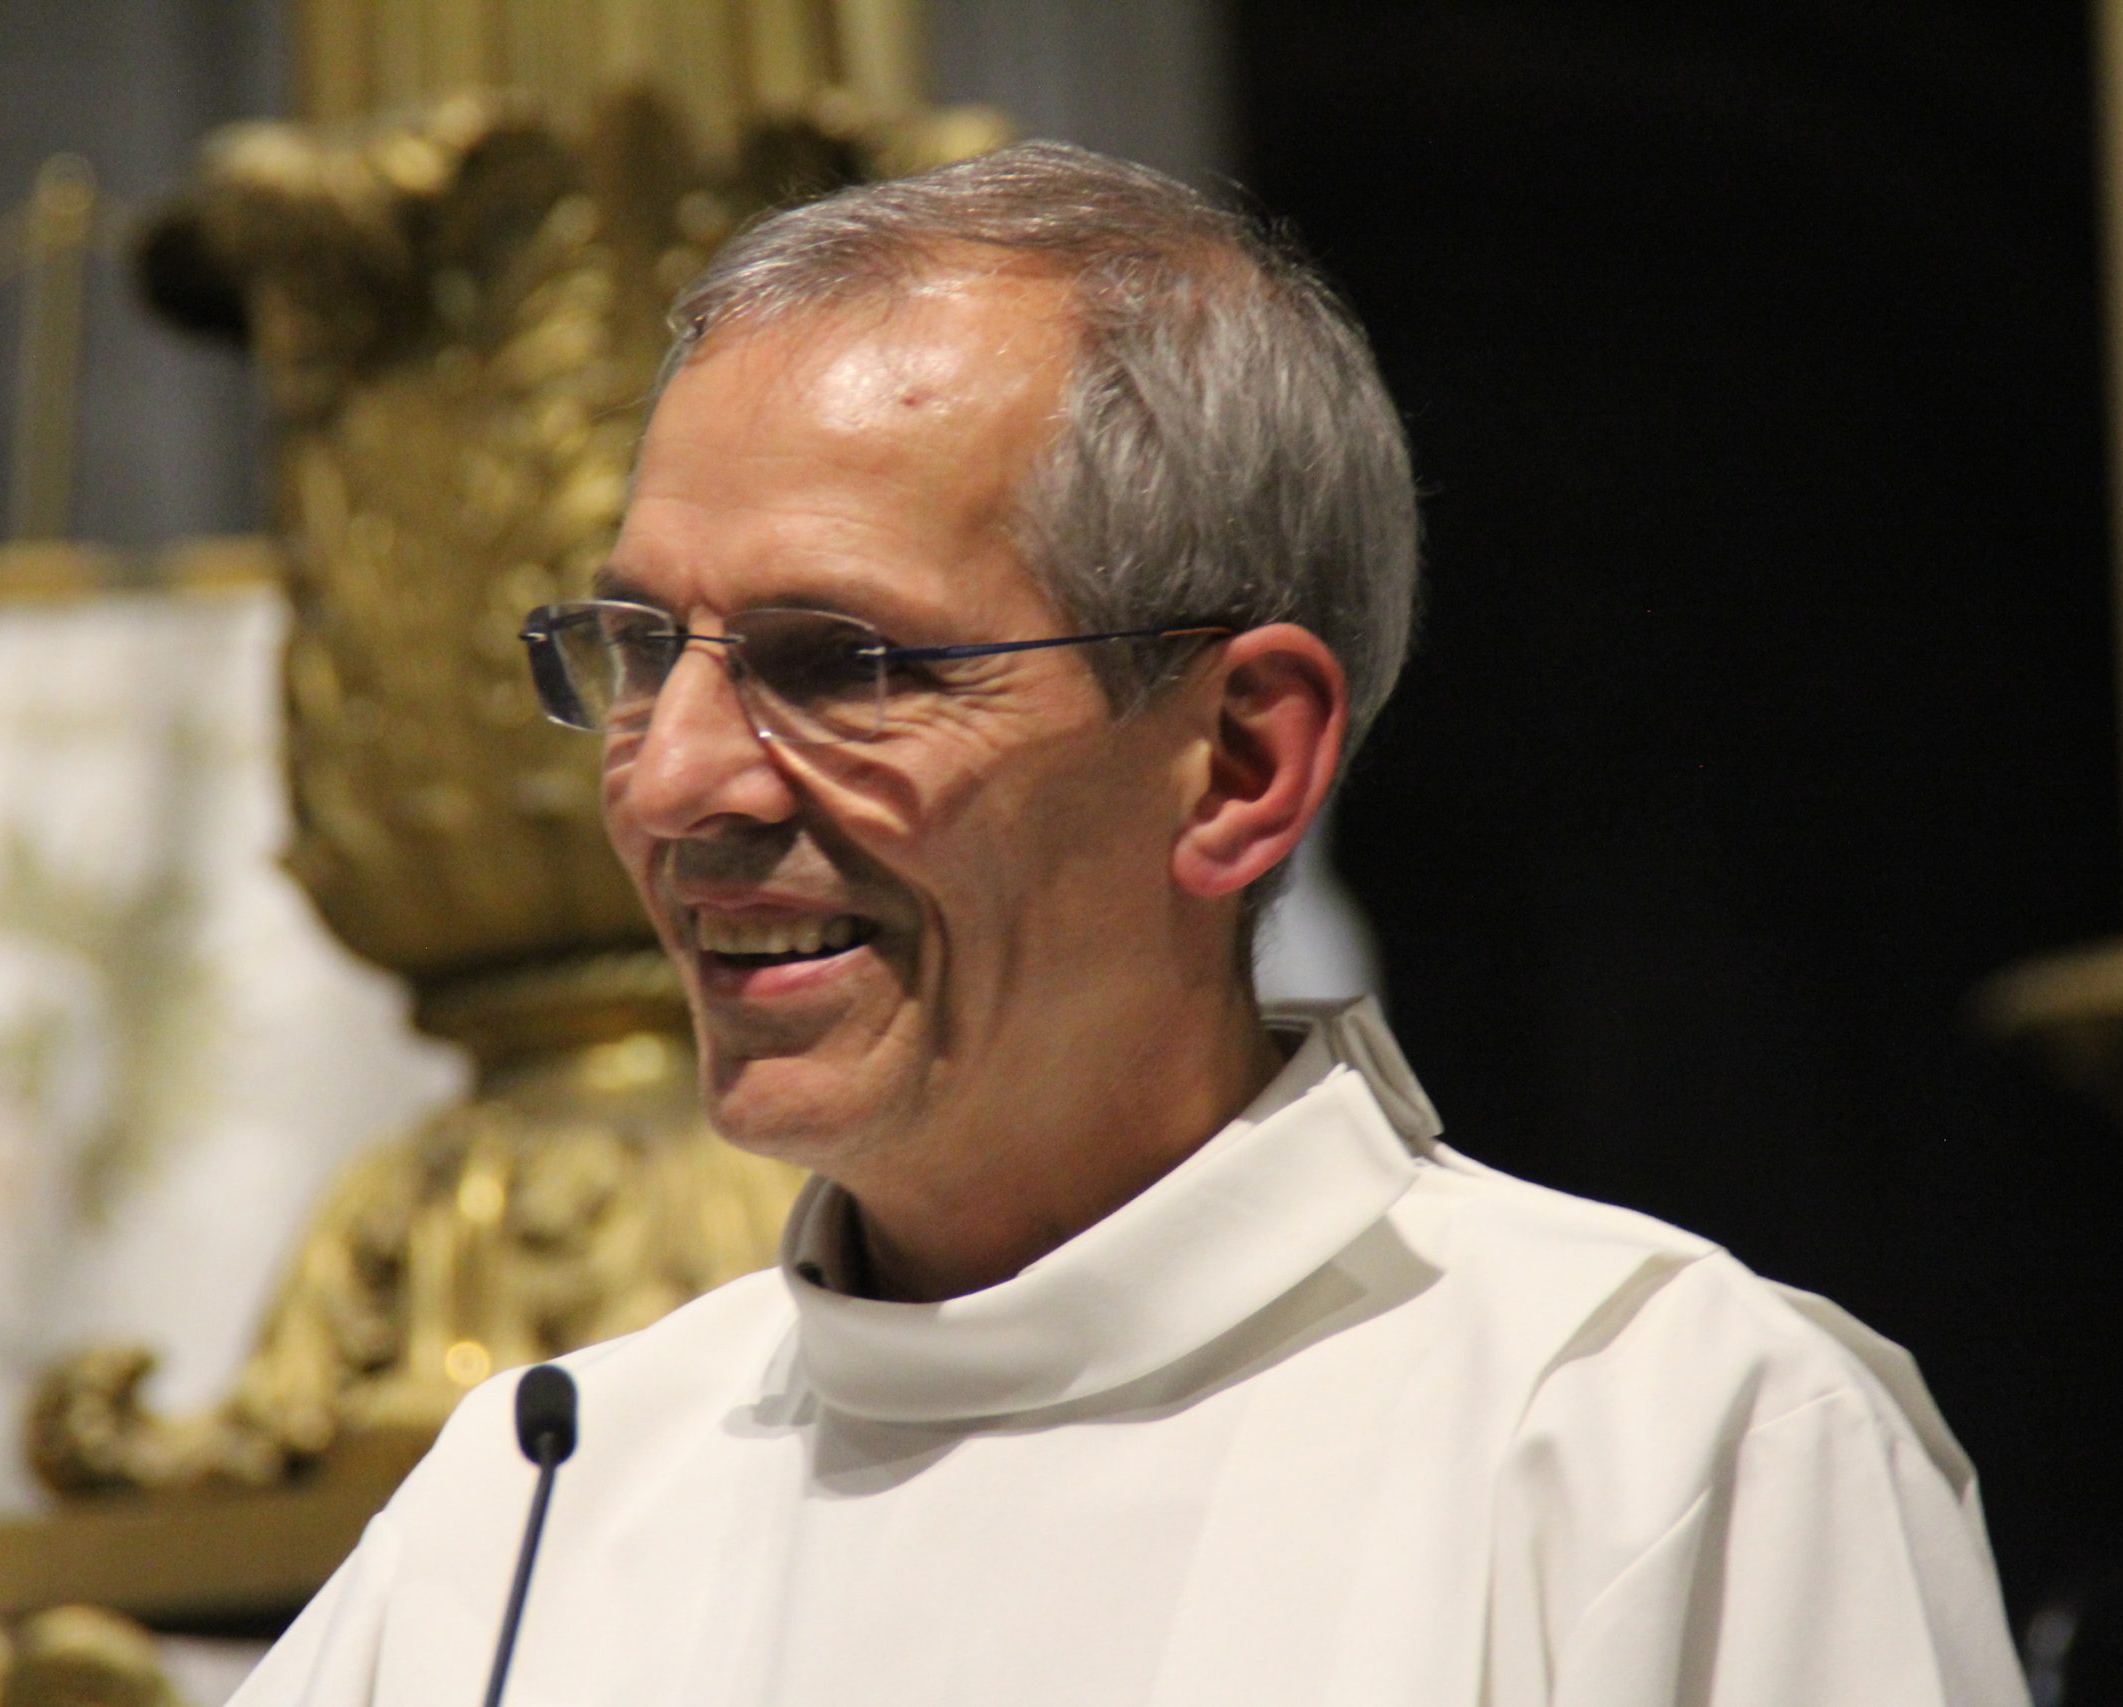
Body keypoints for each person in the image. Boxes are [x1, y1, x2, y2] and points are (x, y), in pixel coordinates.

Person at [228, 142, 2027, 1707]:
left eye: (835, 662)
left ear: (1239, 760)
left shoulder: (1653, 1442)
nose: (677, 781)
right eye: (639, 650)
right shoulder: (533, 1510)